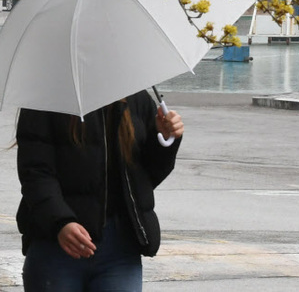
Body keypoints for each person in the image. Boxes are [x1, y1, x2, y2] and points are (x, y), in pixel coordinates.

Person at [16, 91, 184, 291]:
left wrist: (164, 140)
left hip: (119, 249)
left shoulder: (136, 98)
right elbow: (35, 173)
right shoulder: (45, 97)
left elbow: (145, 178)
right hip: (55, 249)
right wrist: (61, 222)